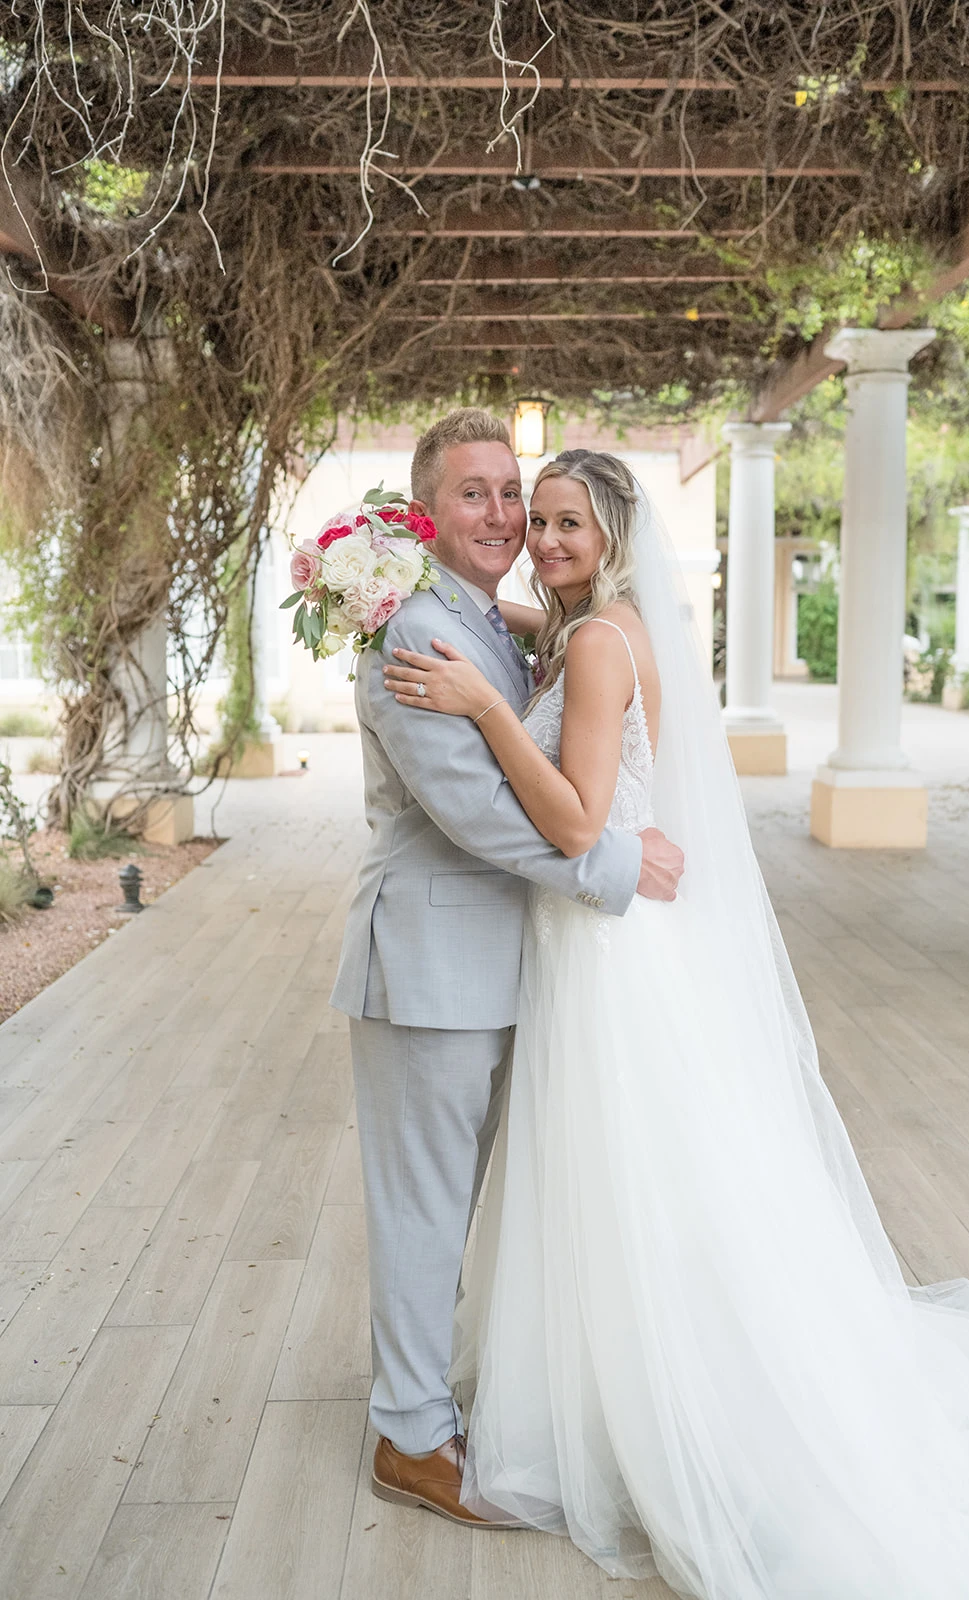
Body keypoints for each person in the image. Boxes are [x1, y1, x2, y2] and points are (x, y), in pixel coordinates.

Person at [382, 447, 969, 1600]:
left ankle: (691, 1407)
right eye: (533, 519)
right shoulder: (589, 625)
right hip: (596, 946)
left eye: (566, 524)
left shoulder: (598, 643)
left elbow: (574, 821)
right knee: (631, 1185)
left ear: (613, 535)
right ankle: (610, 1377)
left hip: (608, 954)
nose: (543, 540)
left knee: (645, 1186)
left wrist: (489, 706)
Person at [329, 411, 683, 1528]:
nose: (502, 517)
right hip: (428, 963)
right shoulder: (409, 636)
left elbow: (545, 654)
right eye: (476, 495)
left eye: (512, 497)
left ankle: (437, 1394)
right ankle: (411, 1436)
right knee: (425, 1207)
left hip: (506, 965)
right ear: (429, 512)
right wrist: (610, 866)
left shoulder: (493, 622)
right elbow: (479, 811)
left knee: (472, 1204)